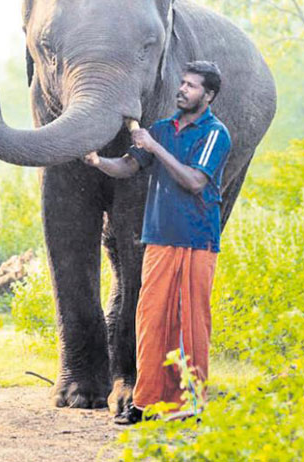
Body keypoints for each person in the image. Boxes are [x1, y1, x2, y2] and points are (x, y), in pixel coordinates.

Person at [83, 61, 231, 425]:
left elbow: (195, 181)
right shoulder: (163, 129)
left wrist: (154, 147)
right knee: (150, 321)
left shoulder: (215, 133)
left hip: (196, 239)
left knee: (190, 323)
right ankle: (146, 402)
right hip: (160, 237)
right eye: (182, 82)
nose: (182, 89)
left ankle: (189, 404)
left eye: (192, 86)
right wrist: (99, 161)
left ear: (208, 96)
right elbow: (129, 166)